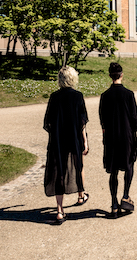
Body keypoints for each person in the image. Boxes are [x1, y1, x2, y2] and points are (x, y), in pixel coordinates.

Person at [43, 66, 89, 224]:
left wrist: (57, 131)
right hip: (74, 138)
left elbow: (48, 122)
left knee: (59, 173)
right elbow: (82, 122)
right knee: (78, 165)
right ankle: (80, 196)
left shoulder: (54, 97)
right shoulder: (78, 96)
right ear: (73, 78)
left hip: (58, 139)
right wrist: (85, 141)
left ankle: (59, 211)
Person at [99, 62, 137, 218]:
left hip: (111, 137)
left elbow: (102, 121)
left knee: (114, 171)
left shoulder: (104, 96)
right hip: (126, 135)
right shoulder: (129, 94)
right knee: (129, 164)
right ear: (121, 75)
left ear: (110, 76)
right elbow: (134, 117)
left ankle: (114, 204)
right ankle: (125, 195)